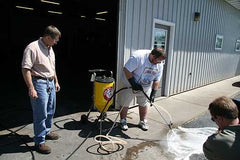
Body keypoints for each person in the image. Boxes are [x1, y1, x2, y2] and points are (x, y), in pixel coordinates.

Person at [21, 25, 61, 154]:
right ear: (48, 37)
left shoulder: (50, 49)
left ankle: (46, 131)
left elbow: (52, 67)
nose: (56, 42)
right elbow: (26, 69)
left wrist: (56, 81)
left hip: (50, 82)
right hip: (39, 83)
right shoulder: (32, 48)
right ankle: (39, 141)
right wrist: (31, 88)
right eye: (55, 40)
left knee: (50, 110)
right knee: (41, 113)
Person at [118, 47, 166, 131]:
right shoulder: (138, 57)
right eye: (158, 61)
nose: (159, 63)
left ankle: (142, 121)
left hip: (145, 86)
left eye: (160, 61)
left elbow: (156, 80)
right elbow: (126, 69)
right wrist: (133, 83)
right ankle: (123, 120)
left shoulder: (159, 64)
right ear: (153, 56)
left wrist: (153, 93)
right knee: (125, 102)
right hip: (129, 83)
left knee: (143, 103)